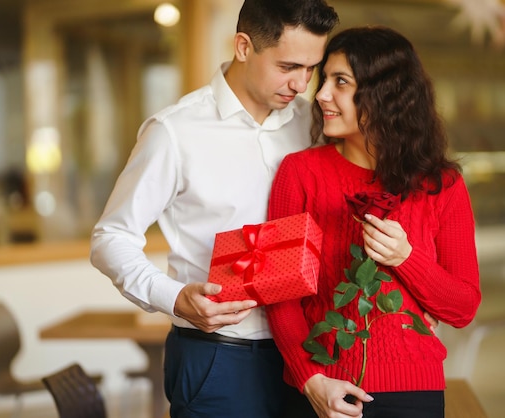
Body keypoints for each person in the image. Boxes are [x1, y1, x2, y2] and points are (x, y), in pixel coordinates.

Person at [89, 1, 339, 417]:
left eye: (311, 69)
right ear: (244, 46)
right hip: (217, 356)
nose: (301, 84)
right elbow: (110, 238)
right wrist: (174, 297)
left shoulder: (314, 126)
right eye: (288, 66)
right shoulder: (175, 131)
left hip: (308, 353)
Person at [266, 26, 482, 418]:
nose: (321, 95)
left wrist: (405, 259)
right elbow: (280, 295)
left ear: (386, 94)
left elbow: (463, 307)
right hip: (322, 391)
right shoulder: (299, 173)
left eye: (341, 82)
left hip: (414, 393)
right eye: (324, 79)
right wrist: (311, 379)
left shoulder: (442, 185)